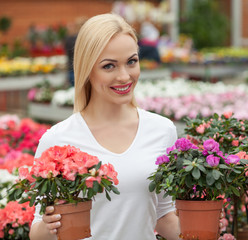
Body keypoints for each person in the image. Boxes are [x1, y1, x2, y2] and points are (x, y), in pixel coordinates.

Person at [29, 13, 180, 240]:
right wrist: (49, 224)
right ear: (87, 69)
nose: (124, 76)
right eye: (109, 66)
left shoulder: (162, 130)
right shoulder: (57, 140)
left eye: (132, 61)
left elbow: (164, 215)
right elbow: (38, 231)